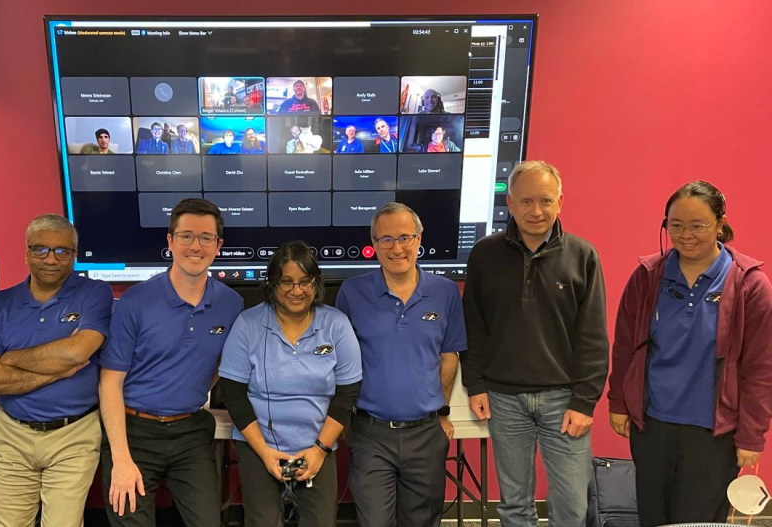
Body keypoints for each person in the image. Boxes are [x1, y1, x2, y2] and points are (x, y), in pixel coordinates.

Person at [607, 181, 772, 526]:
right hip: (652, 425)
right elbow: (625, 346)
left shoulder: (750, 285)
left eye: (698, 225)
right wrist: (618, 403)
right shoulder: (648, 276)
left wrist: (752, 435)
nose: (685, 235)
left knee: (697, 521)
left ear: (720, 224)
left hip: (713, 433)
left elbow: (760, 370)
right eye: (675, 225)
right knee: (654, 516)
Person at [461, 160, 608, 527]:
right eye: (526, 201)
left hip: (565, 400)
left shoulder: (583, 256)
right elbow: (474, 327)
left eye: (545, 201)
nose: (536, 211)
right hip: (504, 399)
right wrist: (475, 384)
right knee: (514, 507)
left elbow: (593, 336)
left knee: (571, 507)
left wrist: (584, 400)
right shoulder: (484, 254)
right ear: (509, 203)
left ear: (561, 202)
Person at [99, 198, 244, 527]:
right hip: (134, 434)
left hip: (190, 433)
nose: (196, 246)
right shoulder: (135, 302)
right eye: (186, 236)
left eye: (206, 237)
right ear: (170, 241)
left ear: (218, 245)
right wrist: (120, 458)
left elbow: (222, 364)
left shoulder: (230, 304)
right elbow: (110, 382)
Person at [0, 214, 112, 527]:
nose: (51, 259)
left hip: (74, 434)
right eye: (40, 250)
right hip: (12, 433)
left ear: (75, 255)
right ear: (26, 252)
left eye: (63, 251)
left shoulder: (94, 294)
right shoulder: (1, 304)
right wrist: (55, 372)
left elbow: (77, 352)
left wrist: (7, 358)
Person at [336, 202, 466, 527]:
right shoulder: (352, 292)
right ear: (374, 243)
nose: (397, 248)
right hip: (370, 434)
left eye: (405, 237)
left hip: (425, 434)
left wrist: (442, 411)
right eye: (386, 239)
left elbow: (449, 356)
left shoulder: (446, 292)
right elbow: (339, 364)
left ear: (419, 239)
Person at [219, 241, 362, 526]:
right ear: (272, 284)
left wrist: (320, 449)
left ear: (316, 283)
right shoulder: (248, 324)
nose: (296, 291)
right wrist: (264, 451)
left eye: (304, 282)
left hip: (318, 446)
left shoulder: (337, 325)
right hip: (259, 447)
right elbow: (233, 394)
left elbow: (347, 394)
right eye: (287, 282)